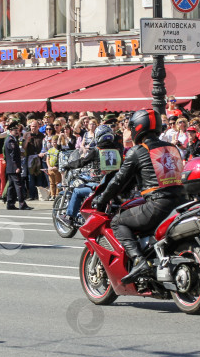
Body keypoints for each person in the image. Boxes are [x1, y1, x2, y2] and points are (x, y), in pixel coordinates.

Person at [92, 109, 186, 285]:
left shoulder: (138, 150)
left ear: (137, 128)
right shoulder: (171, 147)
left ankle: (139, 260)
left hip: (158, 205)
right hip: (182, 203)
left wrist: (101, 200)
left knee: (118, 221)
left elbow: (119, 181)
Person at [60, 124, 124, 225]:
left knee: (77, 191)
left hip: (99, 185)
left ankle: (70, 217)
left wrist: (69, 165)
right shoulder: (118, 151)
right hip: (114, 184)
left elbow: (82, 162)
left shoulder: (97, 150)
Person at [4, 120, 32, 211]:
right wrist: (16, 167)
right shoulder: (10, 140)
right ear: (10, 131)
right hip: (13, 167)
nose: (17, 131)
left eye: (17, 130)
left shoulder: (12, 139)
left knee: (12, 186)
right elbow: (12, 156)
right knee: (19, 185)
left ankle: (10, 203)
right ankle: (22, 203)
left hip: (11, 168)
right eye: (15, 130)